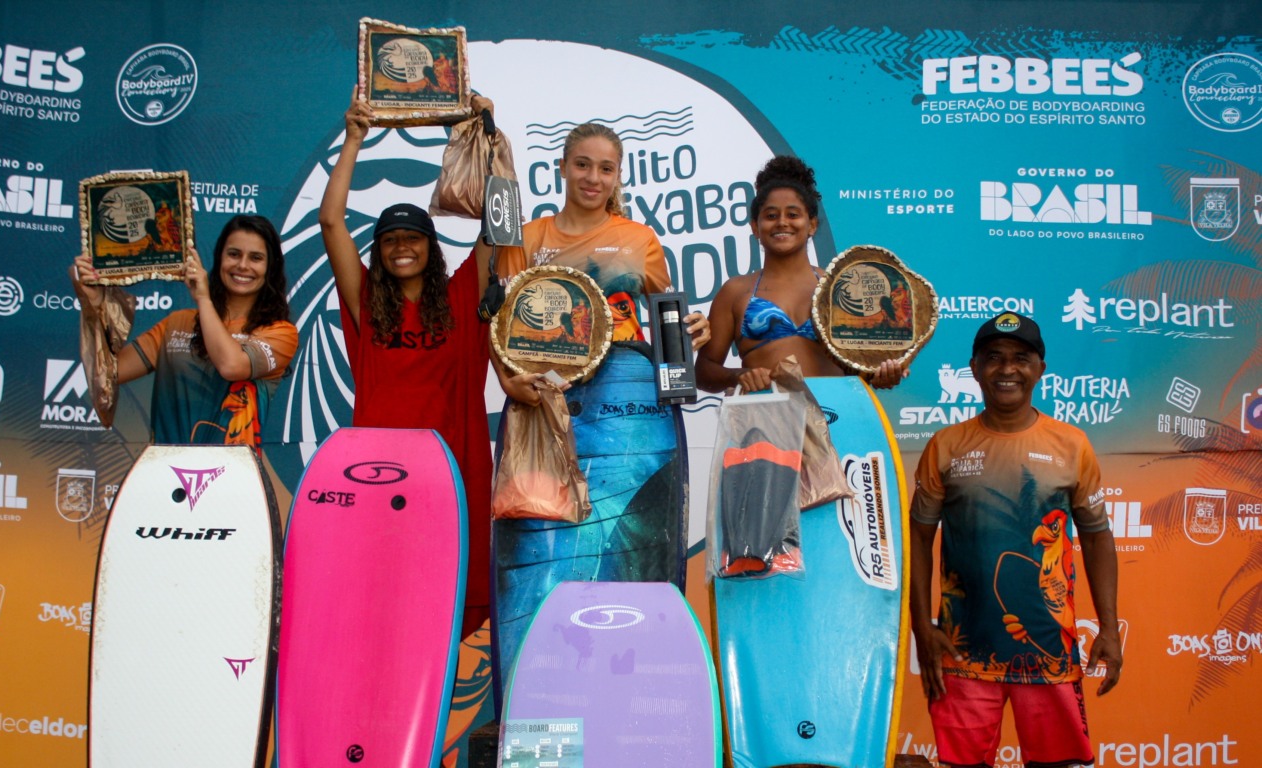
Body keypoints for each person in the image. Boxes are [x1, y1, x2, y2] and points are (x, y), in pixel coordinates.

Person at [489, 121, 710, 696]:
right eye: (582, 164)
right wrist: (508, 380)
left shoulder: (639, 239)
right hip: (545, 406)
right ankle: (539, 691)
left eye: (605, 168)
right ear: (562, 168)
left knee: (625, 538)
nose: (593, 177)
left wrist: (692, 335)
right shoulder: (527, 237)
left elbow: (665, 318)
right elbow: (498, 319)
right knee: (544, 544)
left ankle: (627, 692)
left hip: (629, 413)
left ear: (617, 177)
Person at [909, 312, 1122, 768]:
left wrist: (1109, 627)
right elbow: (919, 541)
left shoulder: (1072, 445)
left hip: (1049, 652)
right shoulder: (946, 446)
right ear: (974, 368)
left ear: (1040, 369)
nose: (1007, 369)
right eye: (994, 358)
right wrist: (921, 627)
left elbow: (1098, 539)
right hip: (963, 651)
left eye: (1021, 358)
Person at [322, 93, 495, 638]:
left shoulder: (463, 298)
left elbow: (499, 223)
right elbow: (330, 222)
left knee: (440, 607)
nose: (401, 247)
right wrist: (354, 138)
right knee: (382, 604)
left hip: (449, 474)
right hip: (378, 477)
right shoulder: (368, 306)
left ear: (431, 246)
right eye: (390, 239)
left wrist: (486, 139)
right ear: (378, 251)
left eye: (412, 238)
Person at [70, 214, 297, 447]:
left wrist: (203, 299)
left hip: (234, 467)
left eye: (256, 258)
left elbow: (231, 366)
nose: (242, 265)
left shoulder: (280, 333)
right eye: (234, 254)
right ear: (219, 258)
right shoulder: (177, 323)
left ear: (270, 267)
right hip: (167, 465)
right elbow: (109, 374)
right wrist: (94, 303)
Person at [694, 155, 906, 394]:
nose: (782, 222)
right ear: (755, 227)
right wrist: (739, 375)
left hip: (837, 412)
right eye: (771, 216)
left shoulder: (837, 287)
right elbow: (703, 372)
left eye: (793, 215)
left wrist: (881, 374)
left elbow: (862, 369)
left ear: (812, 225)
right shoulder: (735, 292)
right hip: (765, 414)